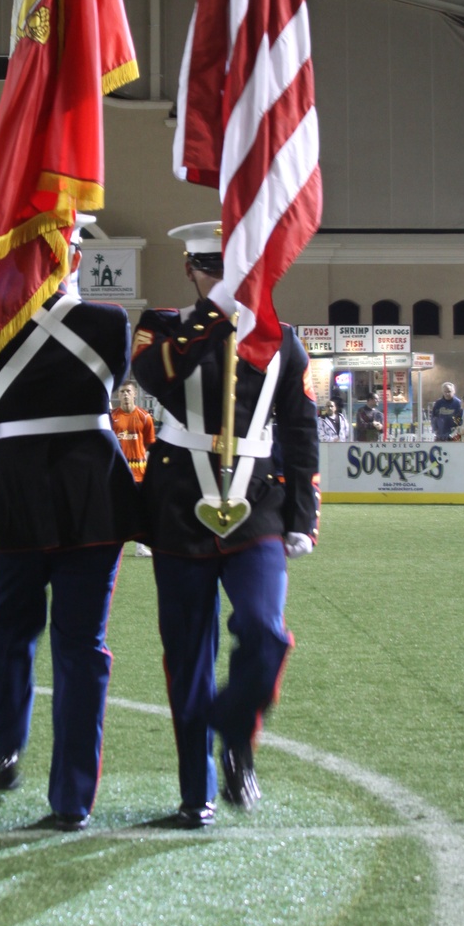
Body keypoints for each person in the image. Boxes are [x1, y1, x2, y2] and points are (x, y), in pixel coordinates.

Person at [131, 222, 319, 827]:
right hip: (180, 505)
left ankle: (235, 731)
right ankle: (197, 794)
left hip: (257, 505)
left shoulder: (285, 342)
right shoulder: (162, 327)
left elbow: (300, 432)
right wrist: (216, 310)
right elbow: (153, 377)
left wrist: (302, 517)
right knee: (187, 656)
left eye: (233, 268)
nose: (223, 278)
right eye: (210, 268)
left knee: (265, 632)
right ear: (191, 270)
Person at [0, 217, 139, 831]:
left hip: (17, 494)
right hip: (90, 498)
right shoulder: (108, 323)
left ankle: (14, 748)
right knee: (73, 646)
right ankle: (70, 797)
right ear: (75, 258)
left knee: (19, 632)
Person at [111, 378, 156, 557]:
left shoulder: (145, 417)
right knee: (117, 509)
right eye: (122, 392)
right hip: (118, 472)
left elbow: (149, 444)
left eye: (128, 391)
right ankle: (115, 546)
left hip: (139, 472)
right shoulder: (112, 417)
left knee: (141, 510)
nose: (125, 395)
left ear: (135, 394)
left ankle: (140, 547)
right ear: (118, 395)